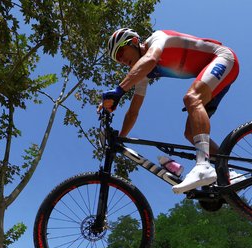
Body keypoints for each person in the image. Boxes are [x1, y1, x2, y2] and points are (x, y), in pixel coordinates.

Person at [100, 28, 240, 193]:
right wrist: (121, 140)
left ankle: (203, 165)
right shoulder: (143, 73)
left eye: (121, 52)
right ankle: (230, 172)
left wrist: (118, 91)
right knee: (190, 132)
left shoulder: (158, 38)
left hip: (223, 58)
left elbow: (151, 59)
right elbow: (133, 112)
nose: (121, 60)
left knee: (191, 98)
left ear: (135, 42)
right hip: (215, 77)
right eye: (117, 59)